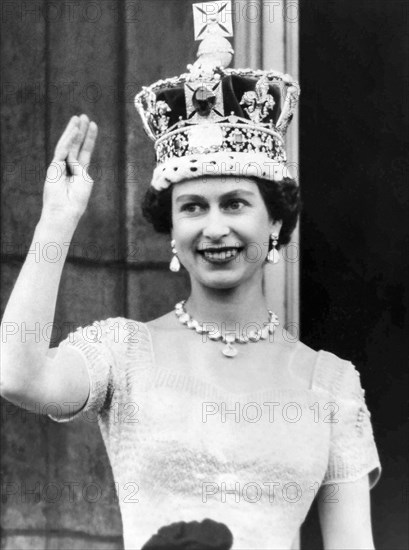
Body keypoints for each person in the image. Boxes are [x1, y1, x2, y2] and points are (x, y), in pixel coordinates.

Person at [1, 3, 381, 549]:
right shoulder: (124, 353)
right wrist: (56, 222)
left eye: (234, 203)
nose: (214, 228)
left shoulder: (331, 386)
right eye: (193, 208)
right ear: (172, 229)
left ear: (274, 220)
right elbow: (17, 375)